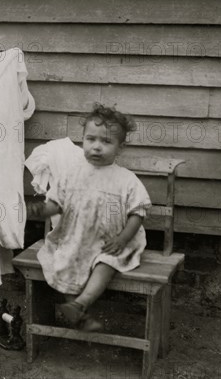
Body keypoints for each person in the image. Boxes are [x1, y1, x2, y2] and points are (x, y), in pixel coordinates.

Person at [28, 104, 151, 331]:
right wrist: (42, 210)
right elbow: (57, 203)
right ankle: (76, 311)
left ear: (119, 148)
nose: (96, 147)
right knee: (65, 260)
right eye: (90, 139)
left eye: (106, 142)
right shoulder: (71, 174)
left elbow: (138, 212)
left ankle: (81, 303)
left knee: (108, 262)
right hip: (77, 237)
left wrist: (123, 239)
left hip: (113, 242)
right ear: (82, 140)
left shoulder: (126, 179)